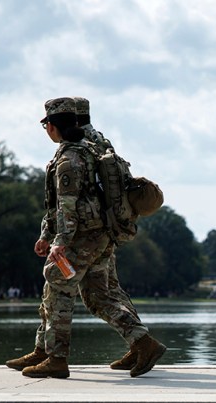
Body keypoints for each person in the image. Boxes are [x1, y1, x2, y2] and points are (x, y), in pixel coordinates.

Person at [6, 98, 165, 379]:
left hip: (82, 237)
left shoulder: (69, 159)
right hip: (99, 235)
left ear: (53, 127)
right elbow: (57, 206)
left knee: (57, 285)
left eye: (45, 125)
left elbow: (67, 207)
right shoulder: (89, 150)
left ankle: (56, 358)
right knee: (98, 295)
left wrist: (59, 243)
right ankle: (140, 343)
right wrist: (46, 234)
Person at [72, 96, 155, 372]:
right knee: (111, 291)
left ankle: (142, 342)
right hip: (109, 228)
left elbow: (75, 194)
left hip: (88, 230)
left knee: (94, 296)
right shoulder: (103, 141)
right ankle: (138, 345)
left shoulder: (78, 147)